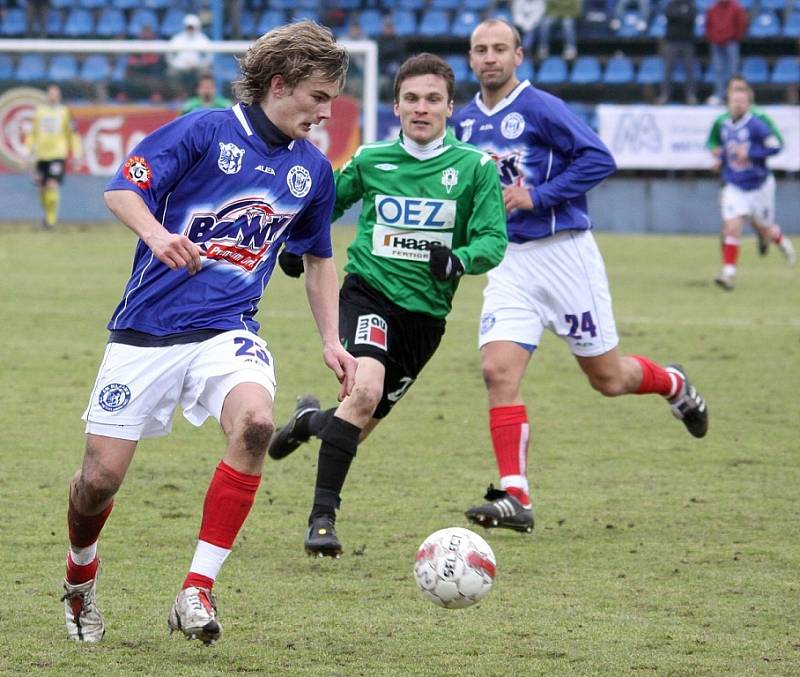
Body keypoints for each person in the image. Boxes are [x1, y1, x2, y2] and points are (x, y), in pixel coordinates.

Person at [60, 21, 356, 645]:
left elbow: (320, 260)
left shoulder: (313, 171)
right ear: (279, 85)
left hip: (229, 330)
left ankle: (197, 589)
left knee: (254, 426)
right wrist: (158, 235)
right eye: (318, 97)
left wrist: (331, 339)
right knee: (97, 484)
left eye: (331, 99)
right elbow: (123, 190)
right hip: (145, 333)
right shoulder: (205, 130)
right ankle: (80, 577)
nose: (327, 112)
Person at [451, 18, 708, 533]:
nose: (490, 58)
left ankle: (674, 383)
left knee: (609, 380)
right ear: (471, 58)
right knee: (497, 372)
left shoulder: (541, 107)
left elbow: (599, 158)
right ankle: (515, 495)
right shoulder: (462, 123)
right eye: (480, 50)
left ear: (519, 55)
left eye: (500, 48)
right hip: (511, 263)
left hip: (566, 256)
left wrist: (537, 196)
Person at [268, 53, 508, 557]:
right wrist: (295, 245)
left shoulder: (475, 169)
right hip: (367, 293)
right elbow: (323, 202)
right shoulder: (372, 160)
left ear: (449, 108)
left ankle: (308, 420)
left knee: (356, 422)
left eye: (433, 100)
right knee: (363, 392)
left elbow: (492, 240)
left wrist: (459, 260)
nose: (422, 109)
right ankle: (322, 522)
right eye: (412, 99)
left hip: (425, 320)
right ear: (396, 107)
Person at [706, 83, 794, 291]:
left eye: (741, 101)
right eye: (733, 101)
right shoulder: (724, 125)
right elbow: (721, 147)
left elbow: (776, 146)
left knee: (764, 228)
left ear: (748, 104)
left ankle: (780, 240)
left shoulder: (756, 125)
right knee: (732, 225)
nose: (737, 105)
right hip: (734, 184)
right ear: (728, 102)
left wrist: (752, 154)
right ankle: (728, 273)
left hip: (758, 185)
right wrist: (720, 160)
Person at [24, 83, 82, 230]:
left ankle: (51, 220)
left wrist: (76, 154)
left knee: (52, 184)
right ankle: (47, 216)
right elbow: (33, 133)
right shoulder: (40, 111)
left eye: (56, 94)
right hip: (41, 155)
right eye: (51, 94)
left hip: (57, 154)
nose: (53, 96)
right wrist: (28, 149)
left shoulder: (64, 112)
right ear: (47, 95)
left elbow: (72, 134)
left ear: (59, 96)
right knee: (42, 188)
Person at [704, 0, 748, 105]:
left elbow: (741, 23)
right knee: (718, 70)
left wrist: (735, 37)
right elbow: (708, 24)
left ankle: (734, 96)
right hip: (716, 43)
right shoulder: (712, 8)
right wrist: (712, 37)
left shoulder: (736, 7)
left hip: (731, 42)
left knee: (733, 70)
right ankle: (719, 95)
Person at [656, 0, 696, 105]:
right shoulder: (670, 4)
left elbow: (690, 18)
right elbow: (670, 15)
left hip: (687, 41)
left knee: (689, 70)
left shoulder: (690, 5)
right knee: (668, 70)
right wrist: (682, 15)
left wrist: (679, 16)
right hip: (671, 41)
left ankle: (690, 95)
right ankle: (665, 95)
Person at [167, 14, 213, 97]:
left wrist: (199, 64)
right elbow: (170, 56)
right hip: (180, 68)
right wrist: (179, 65)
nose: (190, 29)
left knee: (206, 73)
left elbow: (209, 57)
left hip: (197, 67)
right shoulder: (177, 39)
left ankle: (198, 96)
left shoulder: (203, 39)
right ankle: (179, 95)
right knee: (171, 73)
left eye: (192, 27)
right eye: (188, 27)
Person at [125, 24, 168, 102]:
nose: (146, 35)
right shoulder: (136, 44)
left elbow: (155, 59)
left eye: (148, 33)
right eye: (144, 33)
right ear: (140, 34)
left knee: (158, 69)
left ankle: (156, 95)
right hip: (139, 71)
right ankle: (126, 96)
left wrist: (144, 61)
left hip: (153, 71)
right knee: (128, 72)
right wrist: (142, 62)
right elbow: (131, 61)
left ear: (152, 34)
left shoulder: (157, 44)